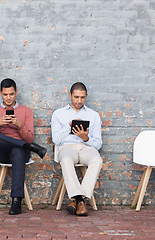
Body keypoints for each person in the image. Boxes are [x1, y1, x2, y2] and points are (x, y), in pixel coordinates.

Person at [0, 78, 47, 215]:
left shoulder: (26, 111)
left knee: (17, 150)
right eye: (5, 94)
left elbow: (29, 138)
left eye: (11, 94)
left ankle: (16, 201)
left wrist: (20, 125)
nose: (8, 97)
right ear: (0, 93)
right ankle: (31, 147)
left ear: (16, 93)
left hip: (19, 153)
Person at [51, 82, 103, 216]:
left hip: (86, 147)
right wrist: (69, 126)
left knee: (97, 160)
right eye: (76, 97)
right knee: (66, 159)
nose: (79, 101)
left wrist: (86, 138)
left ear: (86, 96)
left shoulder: (93, 115)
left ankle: (78, 200)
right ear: (70, 95)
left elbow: (98, 144)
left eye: (82, 97)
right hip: (67, 147)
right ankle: (80, 199)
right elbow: (56, 140)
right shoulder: (59, 114)